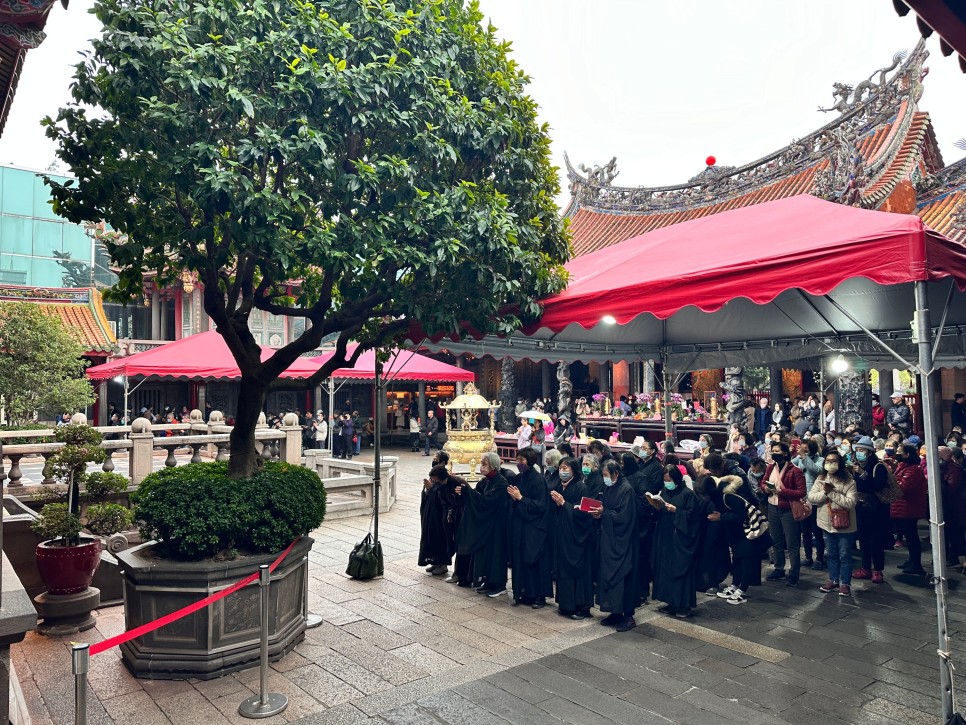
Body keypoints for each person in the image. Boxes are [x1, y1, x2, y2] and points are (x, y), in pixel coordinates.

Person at [588, 459, 638, 631]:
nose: (605, 479)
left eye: (606, 475)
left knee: (624, 578)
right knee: (607, 576)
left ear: (616, 473)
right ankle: (615, 612)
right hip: (608, 540)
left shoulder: (627, 489)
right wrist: (598, 514)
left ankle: (628, 616)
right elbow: (606, 509)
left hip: (622, 542)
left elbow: (625, 517)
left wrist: (605, 514)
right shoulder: (609, 487)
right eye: (603, 475)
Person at [710, 467, 769, 605]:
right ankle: (735, 585)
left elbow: (741, 515)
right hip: (740, 534)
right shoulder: (727, 496)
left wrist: (721, 517)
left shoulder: (729, 497)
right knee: (737, 559)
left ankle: (742, 591)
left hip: (749, 534)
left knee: (747, 561)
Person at [650, 464, 701, 618]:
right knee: (666, 570)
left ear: (677, 479)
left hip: (680, 540)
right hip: (665, 537)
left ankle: (684, 606)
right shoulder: (665, 491)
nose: (667, 483)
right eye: (665, 480)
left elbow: (693, 518)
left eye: (669, 480)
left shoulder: (688, 494)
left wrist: (676, 511)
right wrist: (656, 506)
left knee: (680, 572)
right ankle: (671, 602)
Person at [455, 452, 509, 596]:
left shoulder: (501, 482)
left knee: (496, 554)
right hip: (486, 525)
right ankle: (488, 582)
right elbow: (475, 496)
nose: (482, 467)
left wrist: (468, 492)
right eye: (482, 464)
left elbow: (487, 501)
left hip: (497, 525)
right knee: (486, 554)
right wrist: (464, 492)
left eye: (485, 464)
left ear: (493, 466)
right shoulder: (485, 481)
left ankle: (499, 585)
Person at [506, 447, 553, 608]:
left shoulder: (539, 480)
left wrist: (521, 498)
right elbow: (513, 500)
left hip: (534, 527)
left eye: (522, 460)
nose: (519, 463)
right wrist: (514, 499)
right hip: (520, 525)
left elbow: (540, 505)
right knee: (520, 560)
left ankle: (539, 596)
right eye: (517, 460)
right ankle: (524, 592)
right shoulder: (518, 478)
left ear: (530, 461)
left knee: (535, 561)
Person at [808, 449, 858, 596]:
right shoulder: (821, 478)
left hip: (845, 525)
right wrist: (825, 492)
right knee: (831, 554)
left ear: (840, 463)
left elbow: (850, 503)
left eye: (834, 461)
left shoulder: (849, 481)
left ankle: (845, 583)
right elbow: (812, 497)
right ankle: (833, 579)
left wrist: (831, 492)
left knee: (845, 555)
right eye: (828, 461)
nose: (830, 464)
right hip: (826, 523)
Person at [550, 457, 595, 619]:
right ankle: (567, 604)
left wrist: (564, 504)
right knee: (563, 569)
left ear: (574, 471)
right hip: (563, 535)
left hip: (578, 538)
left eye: (566, 468)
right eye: (560, 468)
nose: (562, 471)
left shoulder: (582, 488)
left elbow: (586, 514)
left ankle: (582, 607)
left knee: (580, 572)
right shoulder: (558, 486)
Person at [760, 441, 807, 586]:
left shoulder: (795, 470)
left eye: (777, 451)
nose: (774, 453)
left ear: (785, 453)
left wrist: (782, 492)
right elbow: (763, 482)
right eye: (773, 451)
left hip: (788, 509)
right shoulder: (770, 467)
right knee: (776, 540)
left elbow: (801, 492)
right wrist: (766, 488)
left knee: (792, 542)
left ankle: (794, 573)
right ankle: (779, 568)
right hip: (772, 507)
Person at [851, 436, 890, 583]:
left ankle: (878, 570)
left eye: (862, 450)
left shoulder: (878, 467)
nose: (859, 453)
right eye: (857, 450)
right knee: (863, 539)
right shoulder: (855, 466)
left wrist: (863, 473)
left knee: (876, 540)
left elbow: (877, 486)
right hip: (860, 507)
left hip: (876, 509)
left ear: (869, 452)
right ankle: (865, 567)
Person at [627, 441, 662, 605]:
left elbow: (651, 489)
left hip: (646, 512)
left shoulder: (656, 467)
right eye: (640, 448)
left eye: (645, 448)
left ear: (653, 451)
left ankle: (643, 590)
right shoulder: (640, 464)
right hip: (635, 515)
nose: (641, 451)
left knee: (643, 555)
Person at [695, 454, 733, 597]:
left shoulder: (703, 482)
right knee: (710, 552)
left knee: (709, 552)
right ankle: (710, 582)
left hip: (710, 523)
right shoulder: (711, 483)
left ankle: (710, 582)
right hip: (710, 523)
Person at [418, 458, 461, 576]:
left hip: (441, 517)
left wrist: (431, 488)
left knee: (442, 540)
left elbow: (445, 498)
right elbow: (430, 495)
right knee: (431, 539)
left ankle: (443, 564)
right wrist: (428, 490)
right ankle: (435, 562)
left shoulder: (449, 482)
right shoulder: (435, 480)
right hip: (431, 517)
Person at [891, 442, 928, 575]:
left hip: (909, 507)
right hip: (903, 506)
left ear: (907, 455)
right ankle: (912, 560)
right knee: (909, 535)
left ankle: (916, 564)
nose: (897, 453)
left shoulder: (913, 469)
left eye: (899, 452)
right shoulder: (903, 466)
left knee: (912, 536)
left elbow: (904, 488)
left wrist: (891, 478)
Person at [793, 439, 825, 569]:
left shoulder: (821, 460)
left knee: (817, 531)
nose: (803, 451)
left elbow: (816, 470)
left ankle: (819, 558)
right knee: (805, 532)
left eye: (806, 449)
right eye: (802, 449)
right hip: (802, 500)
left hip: (815, 501)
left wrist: (804, 457)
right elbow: (791, 467)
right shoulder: (799, 459)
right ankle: (808, 557)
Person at [939, 446, 966, 568]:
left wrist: (940, 484)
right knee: (949, 533)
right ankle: (949, 556)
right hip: (948, 506)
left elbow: (951, 489)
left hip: (954, 507)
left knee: (954, 534)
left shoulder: (954, 470)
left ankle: (954, 556)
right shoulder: (944, 469)